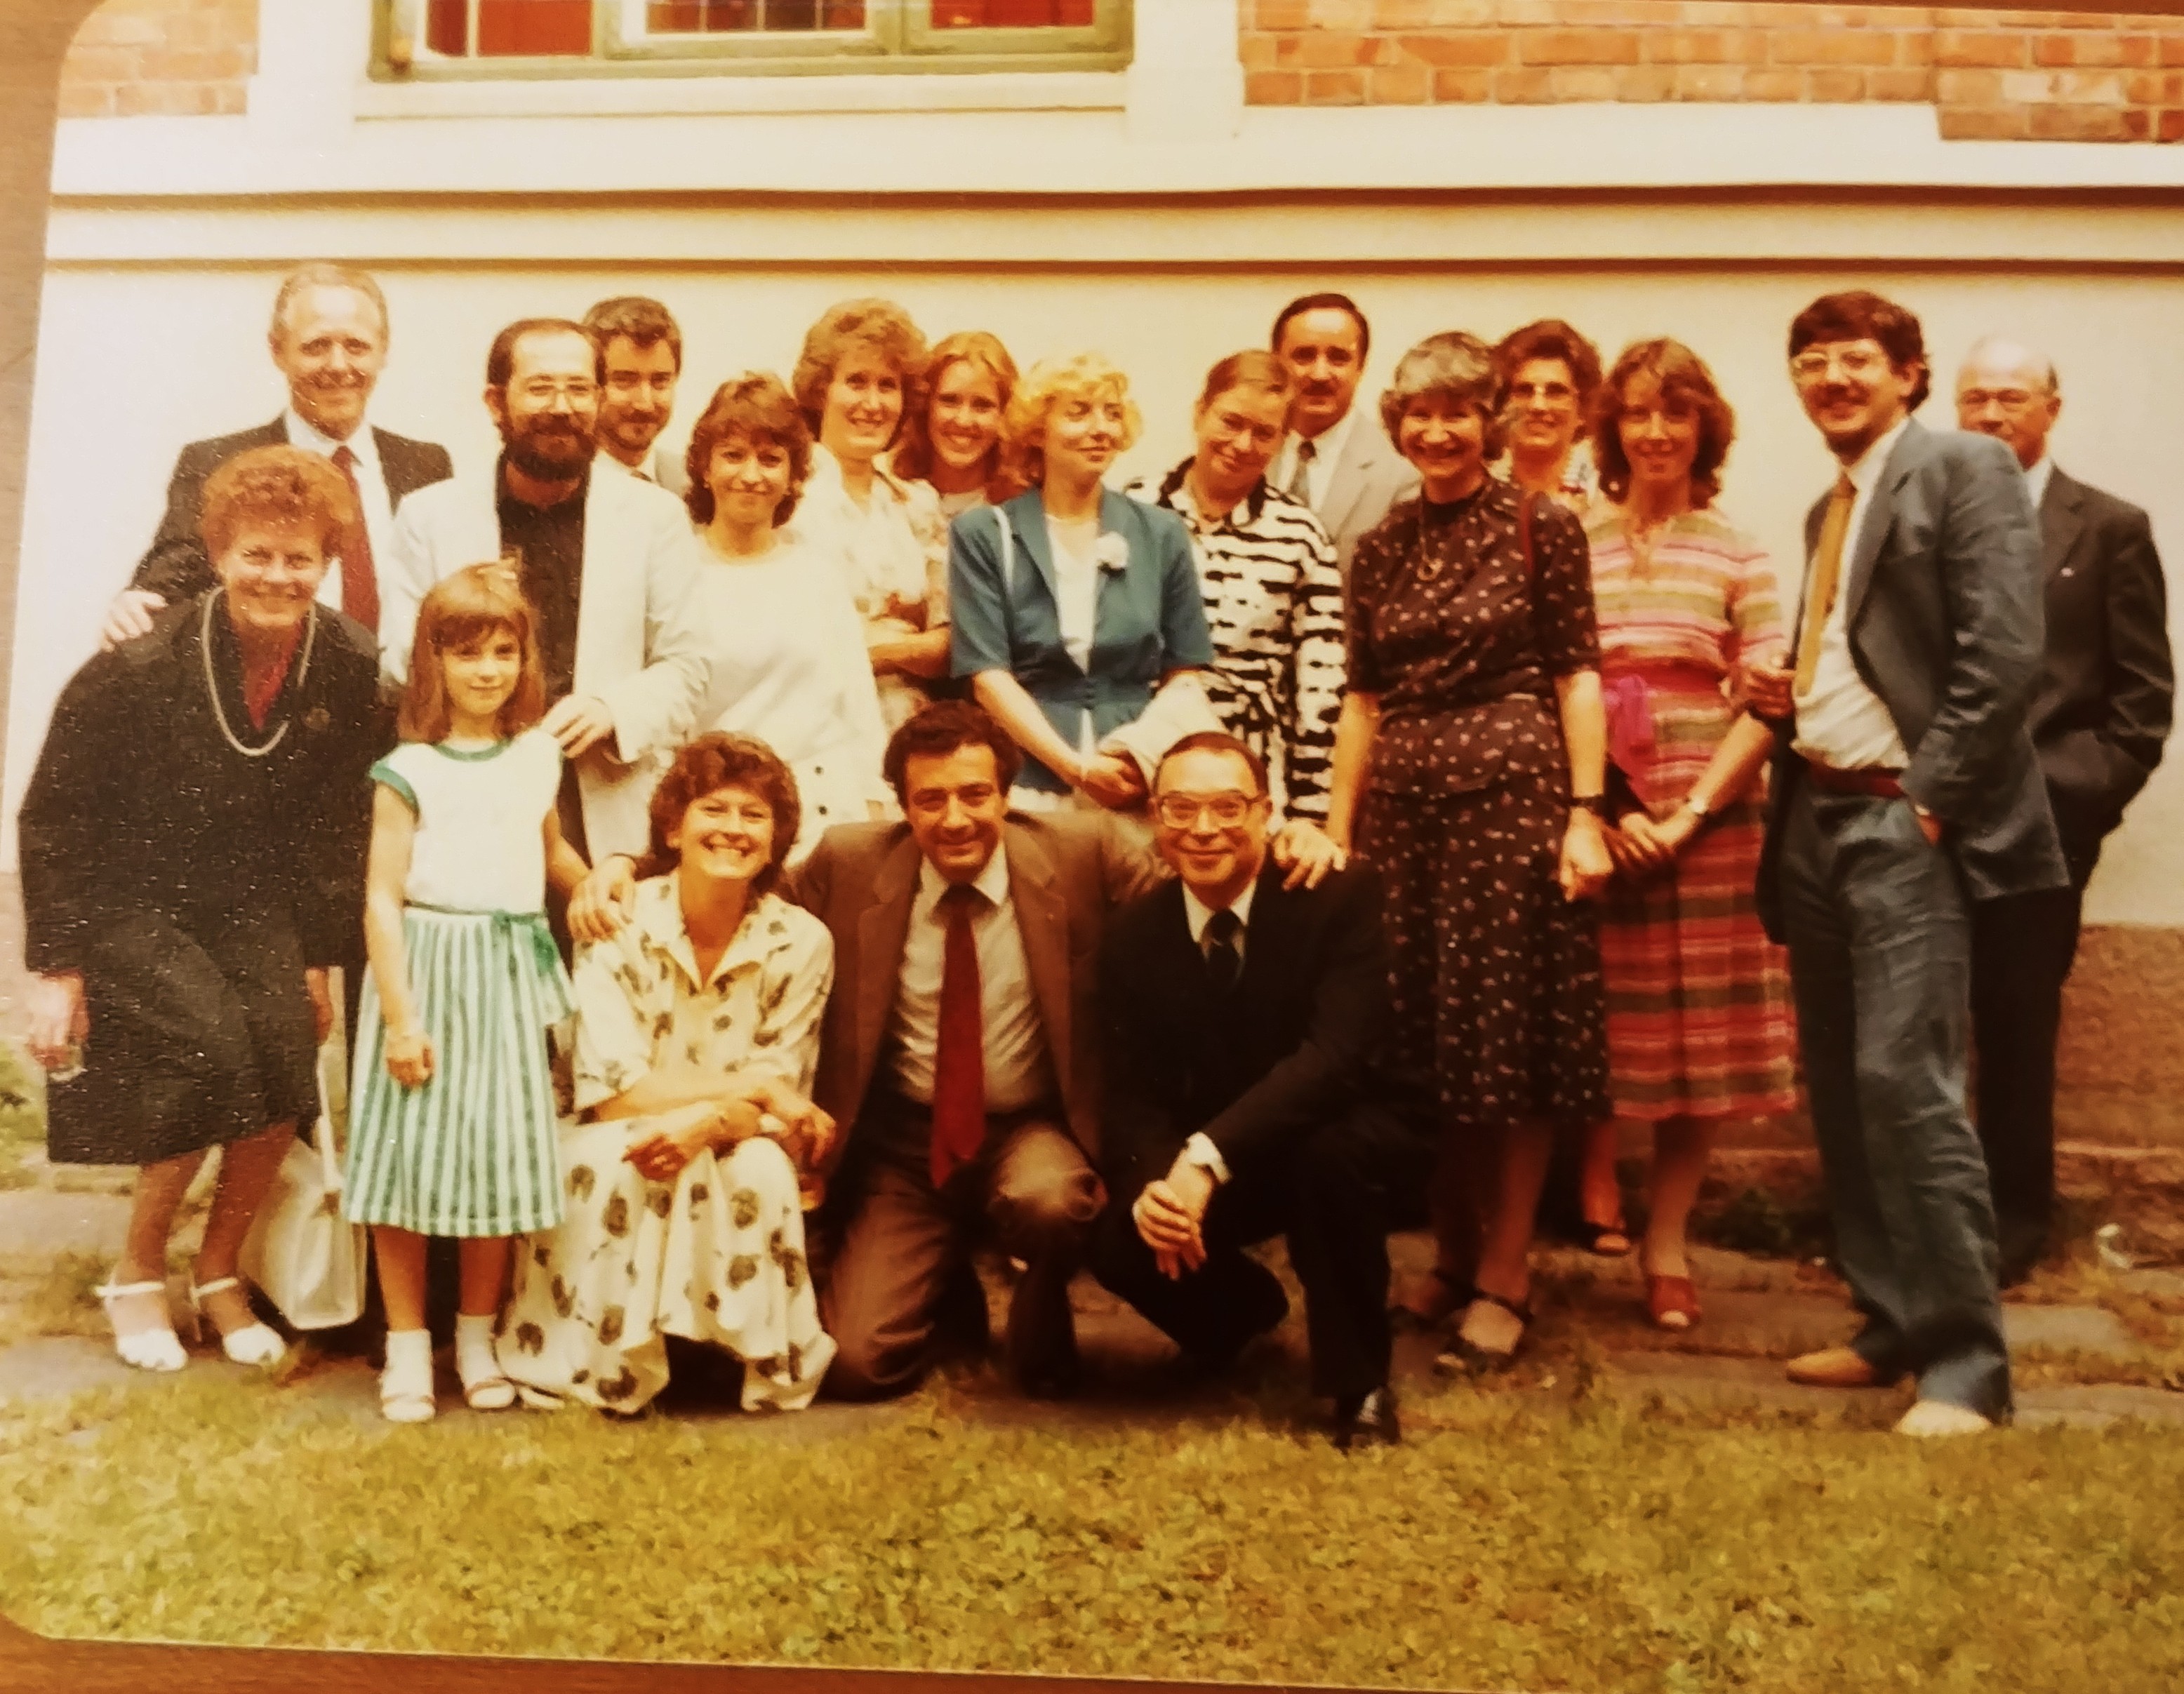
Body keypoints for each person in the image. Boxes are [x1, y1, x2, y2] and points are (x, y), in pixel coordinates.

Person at [1750, 290, 2065, 1437]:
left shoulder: (1961, 469)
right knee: (1839, 1084)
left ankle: (1966, 1364)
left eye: (1854, 360)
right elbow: (1856, 651)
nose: (1830, 377)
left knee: (1906, 1080)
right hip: (1816, 819)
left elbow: (2002, 653)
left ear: (1908, 373)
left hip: (1900, 825)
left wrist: (1930, 803)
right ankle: (1888, 1317)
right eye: (1811, 360)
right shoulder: (1825, 504)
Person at [19, 446, 387, 1372]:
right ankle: (139, 1270)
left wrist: (315, 954)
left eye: (299, 557)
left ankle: (220, 1271)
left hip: (254, 900)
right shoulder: (139, 665)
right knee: (210, 1049)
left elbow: (333, 823)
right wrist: (57, 969)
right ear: (218, 553)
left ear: (327, 561)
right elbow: (55, 813)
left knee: (285, 1056)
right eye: (257, 553)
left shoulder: (345, 660)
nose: (277, 574)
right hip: (131, 896)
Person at [1324, 331, 1613, 1373]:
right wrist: (1339, 829)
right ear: (1399, 424)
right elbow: (1362, 698)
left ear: (1487, 423)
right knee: (1419, 1042)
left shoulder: (1543, 526)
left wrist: (1584, 812)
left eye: (1458, 413)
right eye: (1419, 414)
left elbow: (1578, 674)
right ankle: (1447, 1254)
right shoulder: (1382, 546)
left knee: (1511, 1043)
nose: (1437, 432)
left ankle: (1504, 1272)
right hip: (1405, 810)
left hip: (1512, 801)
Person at [788, 701, 1165, 1400]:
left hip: (1030, 1128)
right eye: (929, 799)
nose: (954, 817)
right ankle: (946, 1294)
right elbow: (746, 901)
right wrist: (623, 869)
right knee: (855, 1363)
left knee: (1050, 1201)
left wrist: (1288, 844)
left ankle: (1043, 1294)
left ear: (1006, 793)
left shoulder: (1084, 850)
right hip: (905, 1142)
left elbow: (1192, 893)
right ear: (901, 804)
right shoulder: (847, 860)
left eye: (974, 794)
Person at [1091, 734, 1436, 1448]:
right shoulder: (1133, 934)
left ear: (1266, 811)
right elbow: (1130, 1094)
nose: (1205, 828)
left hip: (1350, 1124)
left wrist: (1206, 1155)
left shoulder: (1335, 894)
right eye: (1181, 808)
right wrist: (1159, 1183)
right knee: (1118, 1230)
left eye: (1227, 806)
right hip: (1218, 1149)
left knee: (1327, 1157)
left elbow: (1336, 1057)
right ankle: (1238, 1317)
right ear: (1155, 817)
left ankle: (1358, 1380)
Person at [500, 735, 839, 1414]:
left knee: (762, 1169)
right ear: (673, 827)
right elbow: (616, 1094)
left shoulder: (802, 940)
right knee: (643, 1158)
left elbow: (780, 1091)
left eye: (754, 816)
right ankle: (623, 1363)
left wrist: (715, 1118)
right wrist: (748, 1097)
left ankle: (732, 1357)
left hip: (737, 1130)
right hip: (607, 1130)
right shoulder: (615, 924)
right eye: (715, 809)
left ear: (776, 842)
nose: (733, 830)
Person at [1575, 338, 1799, 1330]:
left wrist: (1693, 810)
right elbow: (1559, 681)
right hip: (1600, 797)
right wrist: (1611, 806)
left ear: (1704, 426)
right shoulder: (1573, 536)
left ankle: (1667, 1239)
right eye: (1636, 414)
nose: (1656, 432)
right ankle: (1577, 1207)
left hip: (1710, 813)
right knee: (1594, 1024)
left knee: (1699, 1039)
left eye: (1675, 413)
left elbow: (1767, 700)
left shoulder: (1738, 546)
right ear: (1613, 429)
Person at [341, 565, 586, 1421]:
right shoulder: (407, 767)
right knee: (411, 1158)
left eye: (504, 652)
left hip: (509, 969)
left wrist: (593, 886)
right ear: (434, 663)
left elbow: (550, 851)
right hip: (429, 969)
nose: (488, 670)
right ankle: (409, 1348)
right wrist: (402, 1018)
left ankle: (477, 1338)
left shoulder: (538, 756)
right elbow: (381, 895)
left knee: (497, 1162)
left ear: (526, 662)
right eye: (468, 653)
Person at [1954, 336, 2173, 1286]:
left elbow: (2144, 694)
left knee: (2015, 1019)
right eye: (1975, 400)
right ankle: (1911, 1217)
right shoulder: (1928, 516)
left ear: (2051, 408)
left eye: (2010, 397)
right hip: (1927, 813)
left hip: (2045, 823)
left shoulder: (2110, 527)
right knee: (1911, 1024)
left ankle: (2012, 1222)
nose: (1992, 415)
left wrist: (2087, 792)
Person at [378, 316, 712, 867]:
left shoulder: (656, 517)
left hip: (603, 801)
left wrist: (614, 709)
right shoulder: (431, 516)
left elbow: (689, 664)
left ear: (600, 399)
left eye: (579, 389)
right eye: (540, 388)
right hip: (472, 802)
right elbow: (397, 663)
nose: (562, 406)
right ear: (495, 402)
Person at [102, 262, 453, 648]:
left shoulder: (426, 465)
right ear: (278, 351)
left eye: (356, 346)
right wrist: (137, 601)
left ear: (383, 351)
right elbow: (170, 578)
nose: (338, 365)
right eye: (316, 346)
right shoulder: (215, 462)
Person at [948, 352, 1216, 818]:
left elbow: (1185, 673)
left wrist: (1135, 757)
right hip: (1029, 779)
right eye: (1078, 412)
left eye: (1112, 414)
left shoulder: (1160, 532)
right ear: (1038, 429)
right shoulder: (984, 533)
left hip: (1134, 780)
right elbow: (989, 678)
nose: (1100, 429)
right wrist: (1075, 767)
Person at [1123, 349, 1347, 828]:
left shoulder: (1301, 535)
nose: (1242, 444)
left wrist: (1310, 815)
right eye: (1230, 421)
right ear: (1200, 413)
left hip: (1250, 769)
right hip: (1138, 761)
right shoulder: (1131, 509)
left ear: (1283, 441)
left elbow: (1320, 688)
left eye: (1264, 433)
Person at [680, 373, 891, 858]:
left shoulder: (816, 571)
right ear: (704, 467)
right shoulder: (676, 571)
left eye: (771, 459)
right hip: (723, 819)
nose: (752, 475)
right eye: (733, 455)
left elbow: (857, 706)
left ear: (793, 474)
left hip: (825, 810)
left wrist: (875, 817)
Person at [790, 298, 951, 729]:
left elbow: (948, 645)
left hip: (910, 729)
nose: (873, 403)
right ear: (821, 390)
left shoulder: (918, 505)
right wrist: (901, 645)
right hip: (817, 723)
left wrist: (868, 649)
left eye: (887, 385)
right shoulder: (787, 499)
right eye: (856, 382)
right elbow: (787, 647)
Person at [1265, 293, 1420, 578]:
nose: (1320, 374)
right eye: (1304, 356)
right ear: (1277, 362)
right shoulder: (1245, 455)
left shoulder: (1401, 478)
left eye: (1338, 358)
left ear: (1360, 367)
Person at [891, 329, 1020, 522]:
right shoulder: (888, 493)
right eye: (949, 401)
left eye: (982, 405)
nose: (963, 420)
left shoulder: (1020, 511)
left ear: (1005, 414)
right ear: (925, 405)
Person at [1493, 318, 1604, 512]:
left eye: (1556, 392)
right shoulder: (1480, 492)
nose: (1538, 406)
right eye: (1524, 391)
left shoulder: (1605, 496)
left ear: (1583, 410)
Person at [584, 295, 688, 493]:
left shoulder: (697, 487)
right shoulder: (559, 489)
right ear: (590, 383)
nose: (645, 404)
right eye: (624, 381)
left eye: (660, 382)